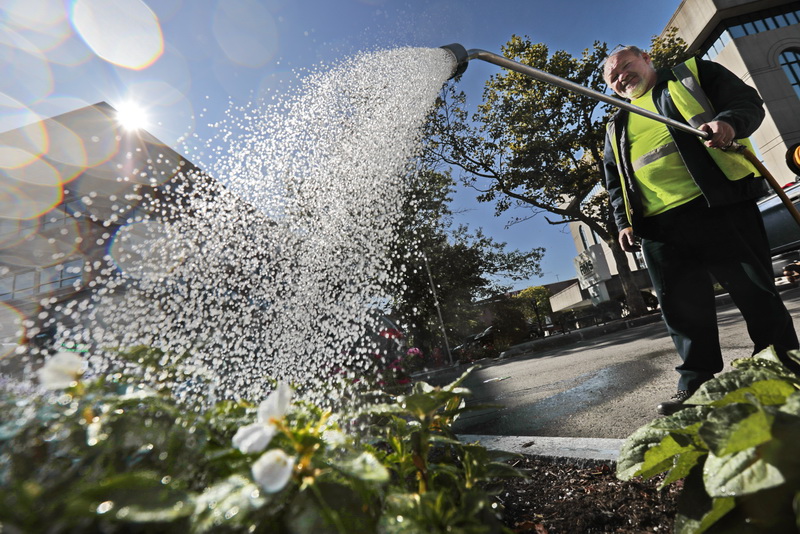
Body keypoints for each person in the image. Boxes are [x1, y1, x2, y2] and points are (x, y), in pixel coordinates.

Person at [602, 45, 799, 415]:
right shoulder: (616, 124)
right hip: (659, 228)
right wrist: (623, 222)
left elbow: (747, 102)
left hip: (716, 205)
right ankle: (697, 387)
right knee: (682, 311)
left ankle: (781, 370)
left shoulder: (690, 77)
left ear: (645, 58)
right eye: (613, 78)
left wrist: (728, 123)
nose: (620, 77)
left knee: (755, 292)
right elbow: (615, 180)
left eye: (625, 66)